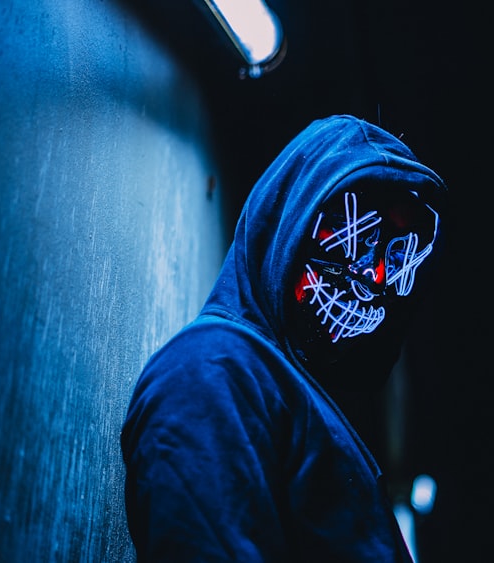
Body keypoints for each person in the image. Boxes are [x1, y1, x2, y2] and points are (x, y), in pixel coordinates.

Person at [120, 114, 448, 562]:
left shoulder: (263, 386)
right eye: (356, 237)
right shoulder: (213, 371)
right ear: (291, 215)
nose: (373, 275)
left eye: (396, 256)